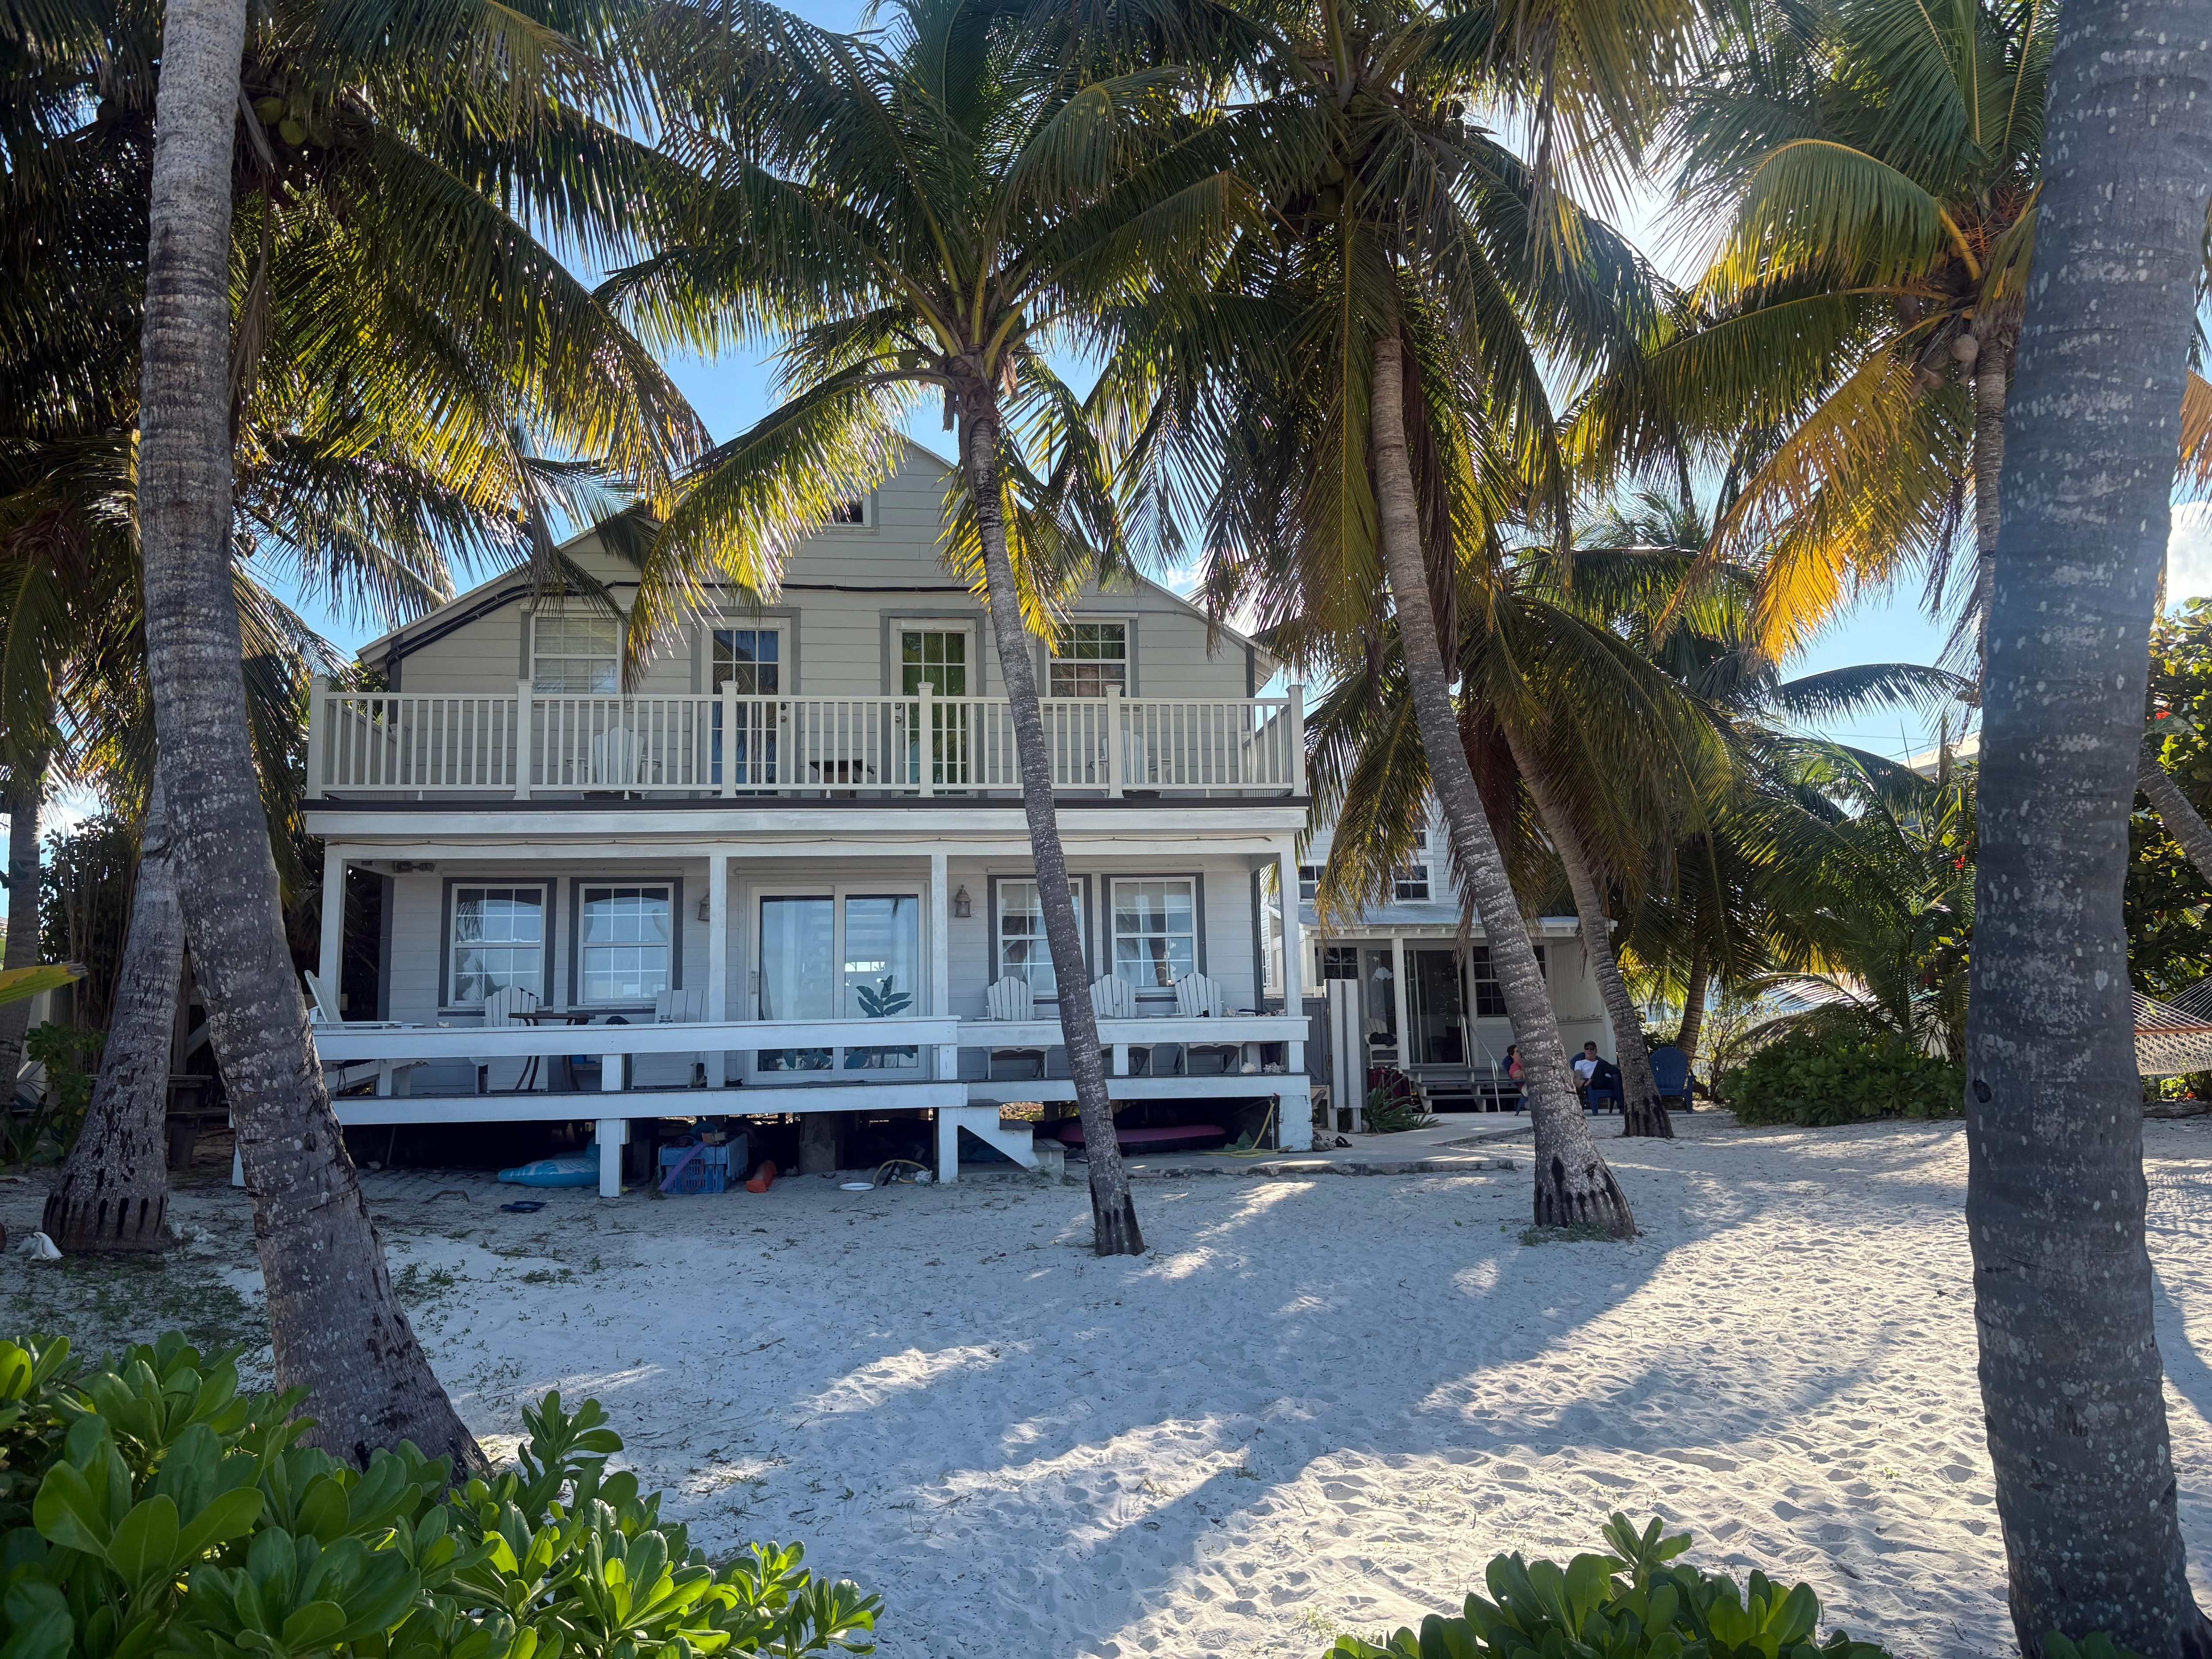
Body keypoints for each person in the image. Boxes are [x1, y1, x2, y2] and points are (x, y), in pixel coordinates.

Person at [1572, 1040, 1601, 1107]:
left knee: (1617, 1076)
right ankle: (1584, 1083)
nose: (1589, 1050)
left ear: (1596, 1051)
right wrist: (1578, 1081)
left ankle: (1622, 1107)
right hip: (1592, 1082)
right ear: (1585, 1051)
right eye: (1587, 1049)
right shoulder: (1580, 1063)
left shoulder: (1599, 1062)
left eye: (1592, 1048)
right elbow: (1577, 1075)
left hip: (1602, 1080)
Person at [1503, 1043, 1524, 1112]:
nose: (1520, 1053)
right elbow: (1517, 1077)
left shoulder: (1524, 1064)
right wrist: (1528, 1070)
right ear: (1512, 1056)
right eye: (1517, 1052)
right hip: (1525, 1087)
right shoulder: (1514, 1066)